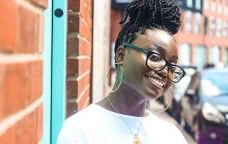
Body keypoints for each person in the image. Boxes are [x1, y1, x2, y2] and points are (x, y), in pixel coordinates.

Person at [57, 0, 188, 143]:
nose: (165, 71)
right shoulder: (80, 129)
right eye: (155, 57)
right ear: (121, 55)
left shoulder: (172, 136)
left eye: (172, 66)